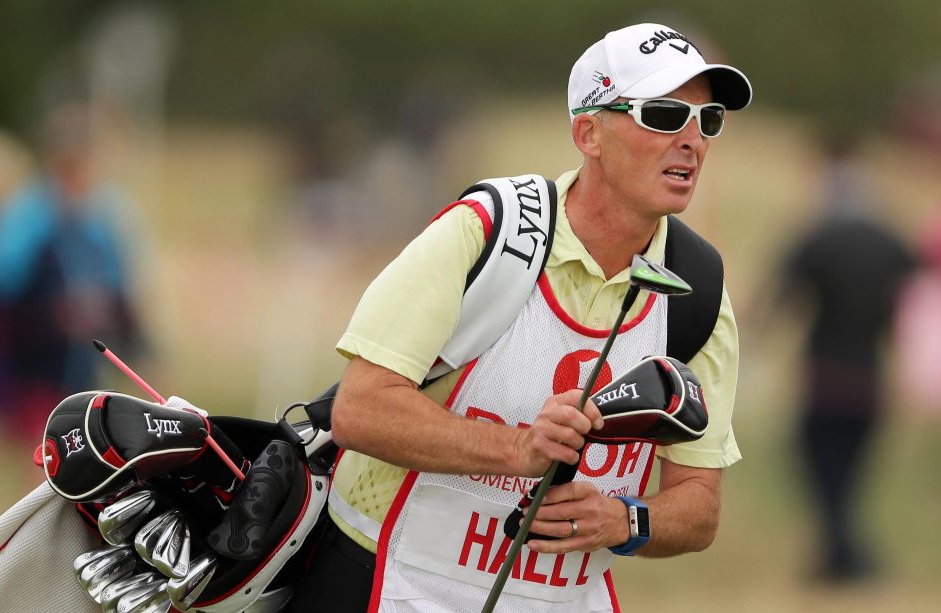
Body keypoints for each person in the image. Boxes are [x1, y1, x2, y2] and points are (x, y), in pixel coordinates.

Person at [294, 23, 751, 612]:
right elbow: (362, 409)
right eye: (663, 117)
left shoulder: (699, 290)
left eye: (707, 120)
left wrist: (625, 520)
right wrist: (517, 450)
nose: (692, 140)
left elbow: (698, 504)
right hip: (385, 576)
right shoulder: (485, 229)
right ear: (589, 132)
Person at [779, 135, 916, 583]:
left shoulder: (817, 239)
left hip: (824, 377)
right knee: (847, 479)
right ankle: (842, 558)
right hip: (870, 380)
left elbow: (780, 298)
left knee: (823, 474)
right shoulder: (891, 243)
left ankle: (846, 559)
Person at [0, 102, 142, 446]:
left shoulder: (100, 220)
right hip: (33, 370)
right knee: (44, 460)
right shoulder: (26, 219)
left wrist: (140, 352)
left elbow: (120, 297)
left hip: (81, 370)